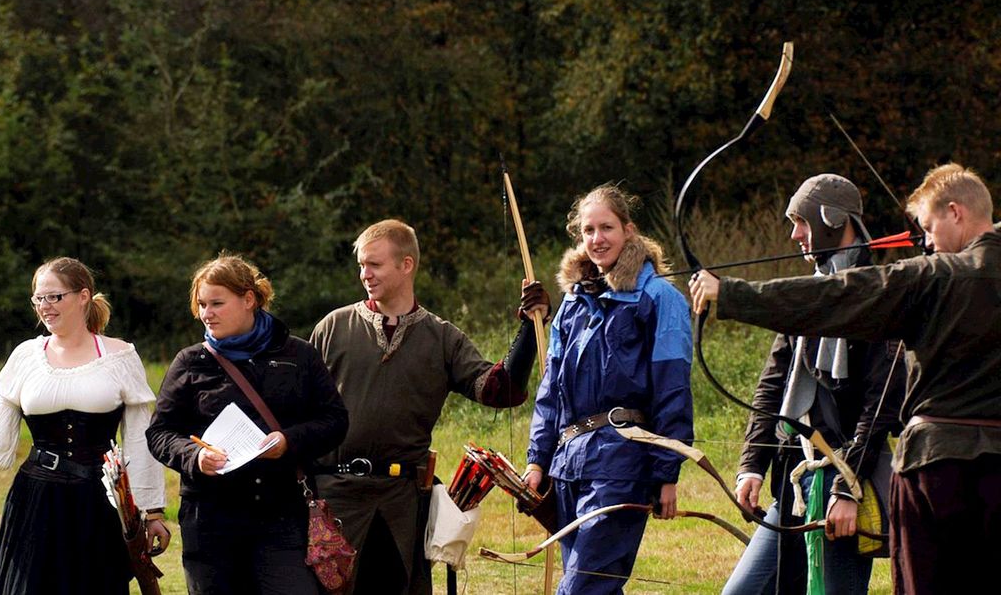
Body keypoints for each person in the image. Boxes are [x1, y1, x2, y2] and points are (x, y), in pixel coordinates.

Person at [690, 163, 1001, 594]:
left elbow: (839, 297)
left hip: (933, 469)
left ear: (956, 213)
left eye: (929, 227)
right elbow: (777, 377)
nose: (926, 241)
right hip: (820, 474)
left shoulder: (931, 277)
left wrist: (732, 293)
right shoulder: (937, 273)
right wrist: (752, 465)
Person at [310, 218, 549, 594]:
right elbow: (303, 411)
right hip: (336, 497)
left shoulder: (441, 337)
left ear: (406, 265)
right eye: (361, 265)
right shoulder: (333, 328)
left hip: (401, 503)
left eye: (374, 264)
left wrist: (529, 330)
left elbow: (500, 391)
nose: (364, 274)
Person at [0, 257, 170, 595]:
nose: (44, 307)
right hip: (36, 499)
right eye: (38, 298)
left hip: (98, 503)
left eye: (54, 297)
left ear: (83, 296)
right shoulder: (26, 356)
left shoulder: (120, 357)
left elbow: (138, 440)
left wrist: (152, 512)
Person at [720, 175, 905, 595]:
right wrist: (751, 465)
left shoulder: (880, 294)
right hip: (794, 481)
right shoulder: (808, 291)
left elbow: (880, 407)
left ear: (833, 218)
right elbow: (772, 384)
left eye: (801, 222)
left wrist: (847, 489)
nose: (794, 235)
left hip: (843, 483)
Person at [523, 184, 693, 595]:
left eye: (607, 228)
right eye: (588, 230)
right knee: (596, 587)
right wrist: (537, 461)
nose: (597, 239)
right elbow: (551, 392)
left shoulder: (659, 298)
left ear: (628, 231)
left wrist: (666, 472)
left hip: (622, 463)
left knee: (580, 588)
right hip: (568, 466)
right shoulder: (573, 303)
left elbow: (672, 389)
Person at [146, 253, 348, 594]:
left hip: (282, 515)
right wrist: (194, 458)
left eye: (217, 304)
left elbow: (335, 420)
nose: (207, 314)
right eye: (202, 305)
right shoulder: (190, 361)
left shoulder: (299, 355)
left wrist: (289, 441)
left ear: (249, 299)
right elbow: (160, 432)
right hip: (210, 521)